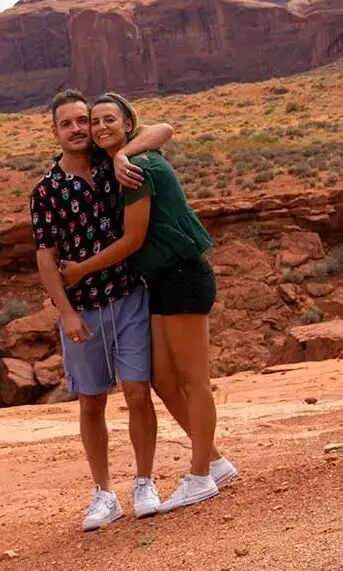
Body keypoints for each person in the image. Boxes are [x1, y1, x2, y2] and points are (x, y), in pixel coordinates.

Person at [59, 92, 238, 515]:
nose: (101, 127)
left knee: (193, 380)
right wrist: (121, 152)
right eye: (94, 121)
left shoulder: (138, 167)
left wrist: (81, 269)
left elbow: (134, 239)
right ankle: (214, 459)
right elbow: (161, 131)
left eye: (110, 120)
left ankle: (199, 478)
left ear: (127, 123)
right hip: (159, 281)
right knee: (161, 379)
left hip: (181, 275)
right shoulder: (118, 161)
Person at [29, 88, 175, 532]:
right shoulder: (46, 191)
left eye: (83, 121)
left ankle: (145, 482)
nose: (78, 129)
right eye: (68, 123)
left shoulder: (113, 163)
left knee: (137, 394)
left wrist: (120, 154)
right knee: (91, 402)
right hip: (84, 310)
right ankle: (103, 493)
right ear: (55, 132)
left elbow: (163, 128)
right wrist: (66, 313)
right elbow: (45, 258)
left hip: (129, 297)